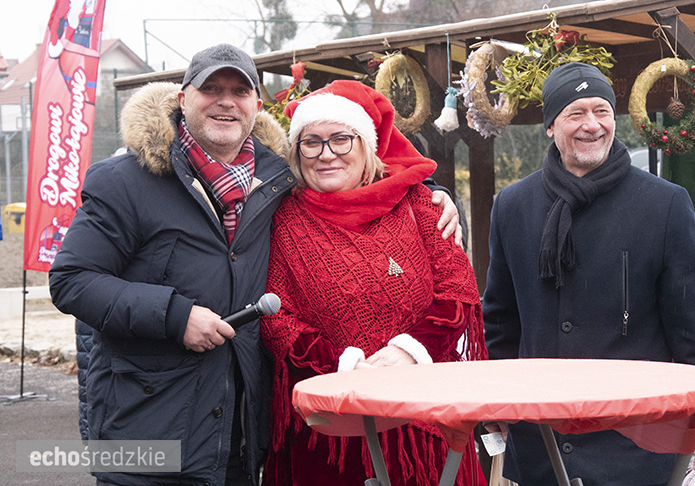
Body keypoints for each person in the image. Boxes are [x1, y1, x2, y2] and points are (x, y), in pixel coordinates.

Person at [48, 44, 461, 486]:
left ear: (256, 106)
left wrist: (435, 193)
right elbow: (71, 280)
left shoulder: (276, 179)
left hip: (240, 433)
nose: (226, 101)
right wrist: (175, 316)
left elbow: (363, 174)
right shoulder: (125, 181)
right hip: (148, 429)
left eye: (239, 91)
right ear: (183, 98)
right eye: (211, 88)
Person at [481, 62, 695, 486]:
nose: (592, 125)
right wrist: (494, 405)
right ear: (550, 126)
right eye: (576, 113)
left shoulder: (664, 204)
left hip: (635, 443)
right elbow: (501, 321)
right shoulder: (513, 205)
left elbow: (693, 328)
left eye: (602, 111)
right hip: (541, 438)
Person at [259, 80, 488, 486]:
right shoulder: (280, 220)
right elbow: (276, 317)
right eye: (311, 142)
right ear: (297, 152)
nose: (326, 154)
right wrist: (343, 366)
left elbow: (456, 292)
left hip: (424, 421)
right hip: (329, 433)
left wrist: (409, 351)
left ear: (366, 146)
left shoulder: (419, 203)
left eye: (341, 139)